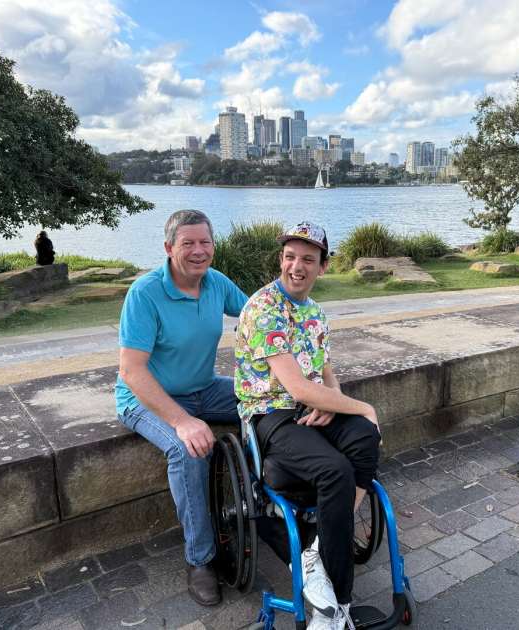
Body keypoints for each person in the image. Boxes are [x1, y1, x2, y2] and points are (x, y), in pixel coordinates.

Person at [235, 222, 381, 630]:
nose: (296, 267)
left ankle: (316, 549)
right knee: (336, 470)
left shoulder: (315, 314)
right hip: (272, 414)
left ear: (323, 267)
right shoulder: (263, 309)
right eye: (290, 257)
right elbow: (296, 386)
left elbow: (325, 377)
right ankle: (340, 604)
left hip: (313, 408)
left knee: (366, 437)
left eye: (307, 260)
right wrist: (362, 404)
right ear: (281, 260)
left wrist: (338, 407)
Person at [116, 209, 247, 606]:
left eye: (205, 242)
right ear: (169, 247)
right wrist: (182, 421)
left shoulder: (217, 283)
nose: (198, 250)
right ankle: (201, 559)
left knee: (268, 399)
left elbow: (259, 314)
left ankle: (268, 504)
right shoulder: (146, 293)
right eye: (188, 243)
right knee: (188, 449)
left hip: (203, 387)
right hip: (146, 398)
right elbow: (132, 371)